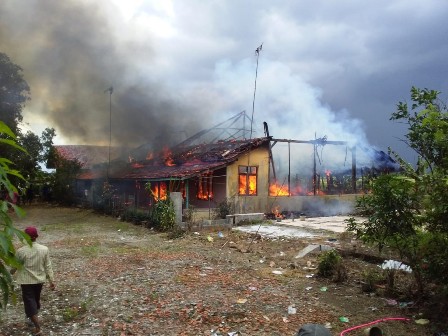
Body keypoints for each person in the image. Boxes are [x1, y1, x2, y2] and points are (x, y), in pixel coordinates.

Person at [12, 226, 55, 335]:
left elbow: (15, 266)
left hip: (26, 281)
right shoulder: (44, 249)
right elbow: (48, 266)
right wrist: (51, 280)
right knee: (35, 300)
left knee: (29, 302)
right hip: (39, 280)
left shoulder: (21, 251)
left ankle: (37, 327)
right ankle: (32, 317)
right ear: (36, 236)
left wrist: (10, 273)